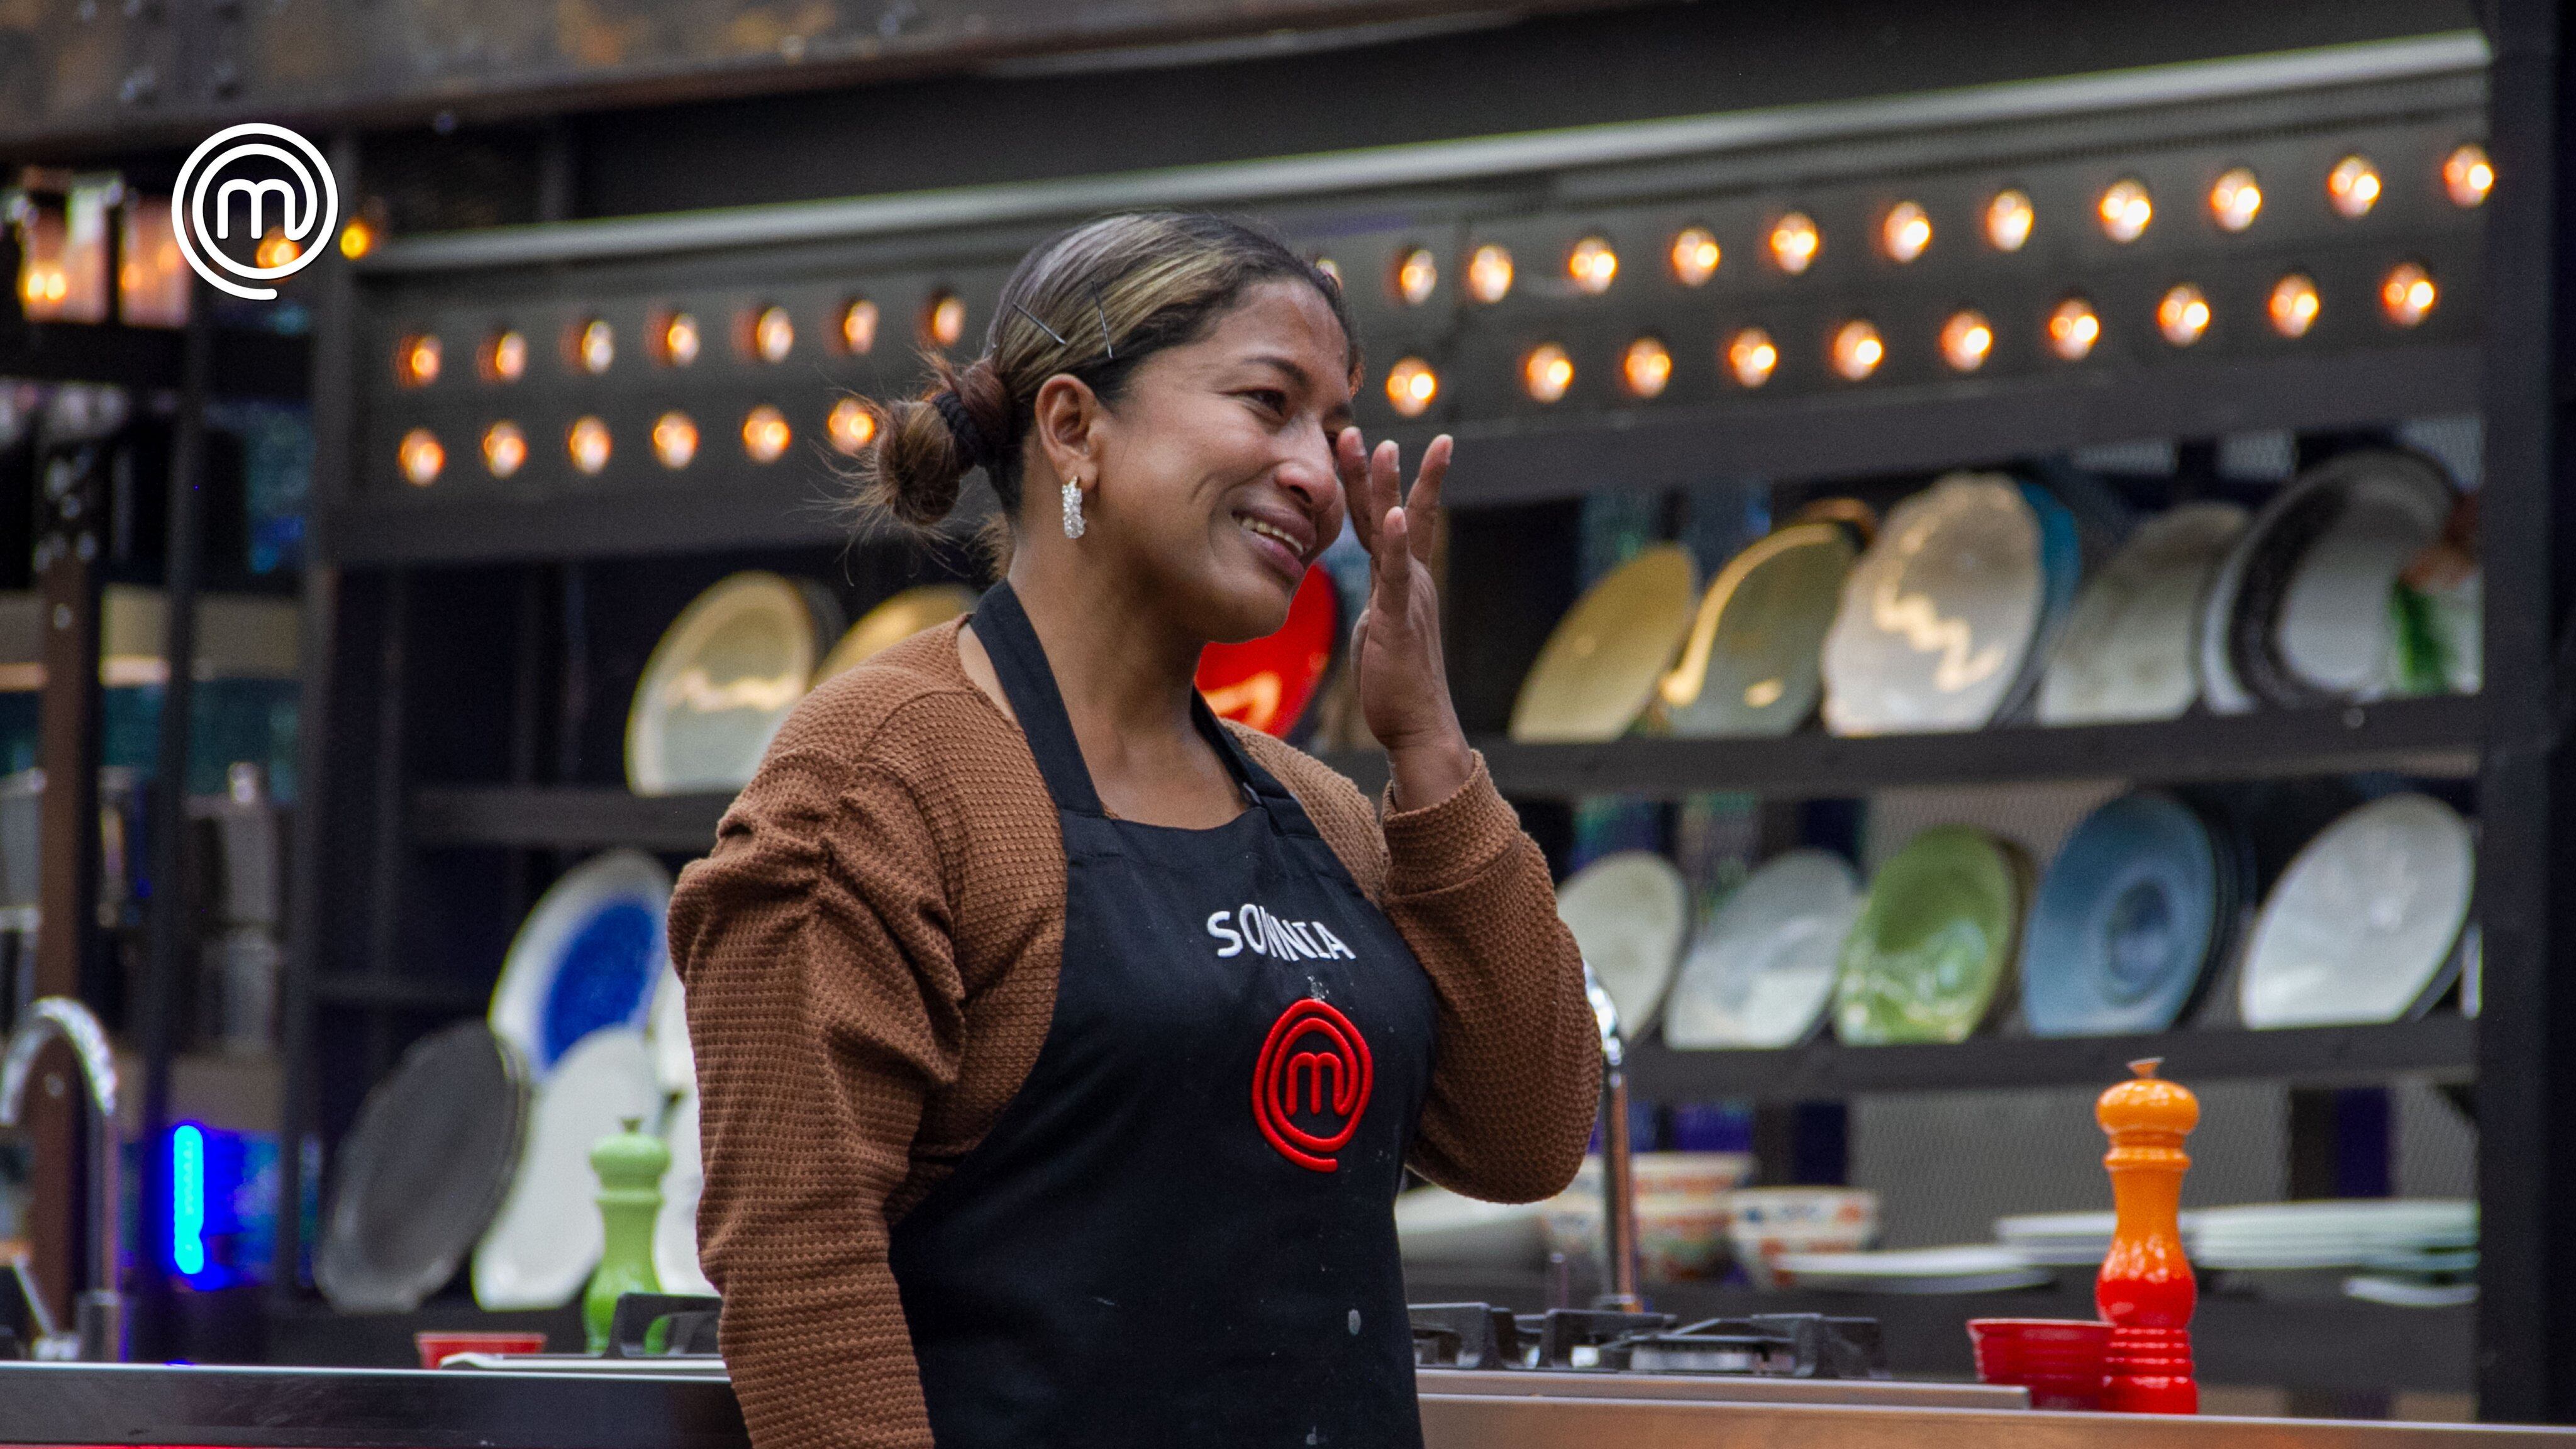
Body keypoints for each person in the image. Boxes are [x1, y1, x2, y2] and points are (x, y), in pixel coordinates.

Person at [667, 212, 1599, 1449]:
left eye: (1330, 424)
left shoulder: (1314, 809)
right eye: (1269, 403)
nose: (1320, 473)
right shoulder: (876, 777)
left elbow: (1527, 1134)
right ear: (1073, 430)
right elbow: (800, 1272)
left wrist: (1428, 749)